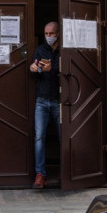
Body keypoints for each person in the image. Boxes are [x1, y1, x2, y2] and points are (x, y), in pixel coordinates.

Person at [29, 21, 60, 189]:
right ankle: (40, 174)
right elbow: (36, 75)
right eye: (46, 34)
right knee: (39, 137)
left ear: (58, 34)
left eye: (51, 33)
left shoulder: (64, 51)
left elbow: (68, 72)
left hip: (60, 101)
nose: (49, 36)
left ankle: (68, 173)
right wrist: (33, 69)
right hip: (42, 100)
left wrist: (52, 69)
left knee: (65, 137)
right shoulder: (40, 50)